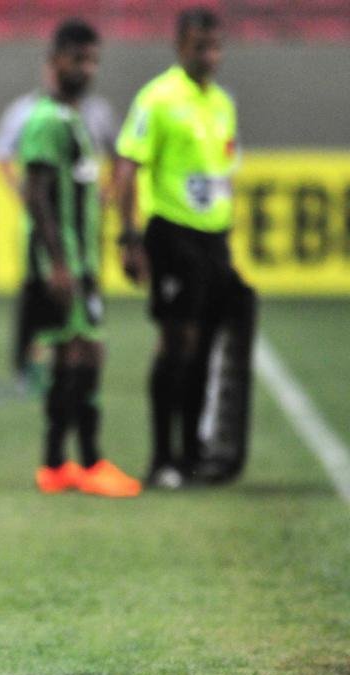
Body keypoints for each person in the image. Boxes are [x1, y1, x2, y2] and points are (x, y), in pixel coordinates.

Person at [113, 7, 250, 488]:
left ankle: (192, 452)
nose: (210, 56)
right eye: (200, 48)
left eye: (215, 48)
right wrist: (129, 238)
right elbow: (126, 166)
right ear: (180, 47)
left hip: (214, 241)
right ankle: (161, 459)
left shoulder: (222, 103)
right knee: (177, 343)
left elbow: (221, 176)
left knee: (206, 345)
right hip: (171, 234)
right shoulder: (158, 99)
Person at [19, 20, 141, 498]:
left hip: (82, 260)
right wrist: (60, 264)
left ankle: (60, 463)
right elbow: (37, 195)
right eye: (77, 59)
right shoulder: (47, 120)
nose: (86, 69)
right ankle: (80, 461)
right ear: (55, 62)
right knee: (82, 352)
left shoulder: (74, 119)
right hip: (65, 263)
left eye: (92, 60)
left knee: (83, 352)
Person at [0, 66, 117, 390]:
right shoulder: (31, 112)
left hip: (84, 231)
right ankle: (30, 371)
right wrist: (24, 192)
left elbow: (121, 158)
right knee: (37, 296)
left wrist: (106, 195)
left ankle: (75, 371)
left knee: (85, 294)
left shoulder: (96, 113)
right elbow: (0, 155)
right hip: (44, 229)